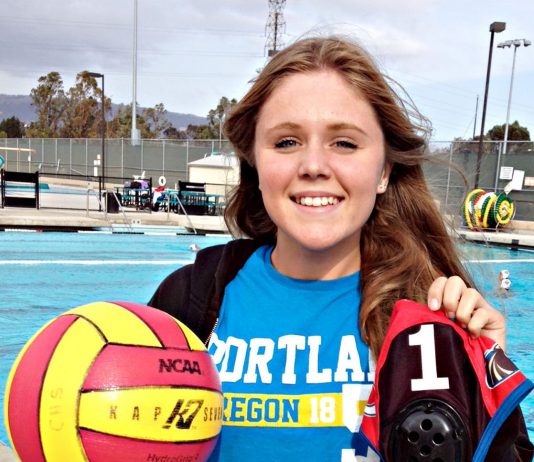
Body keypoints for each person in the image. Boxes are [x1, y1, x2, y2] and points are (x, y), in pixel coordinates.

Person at [149, 36, 531, 461]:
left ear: (384, 171)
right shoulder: (189, 300)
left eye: (344, 143)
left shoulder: (430, 317)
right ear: (254, 163)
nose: (314, 165)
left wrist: (486, 394)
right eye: (286, 141)